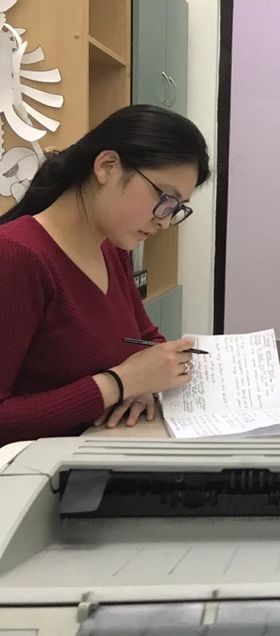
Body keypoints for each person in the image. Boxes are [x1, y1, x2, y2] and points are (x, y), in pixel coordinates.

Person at [0, 104, 211, 445]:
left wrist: (147, 382)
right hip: (36, 471)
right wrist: (119, 383)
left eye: (176, 208)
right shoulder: (16, 256)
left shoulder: (111, 249)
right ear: (107, 166)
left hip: (101, 449)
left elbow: (147, 338)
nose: (164, 221)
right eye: (164, 198)